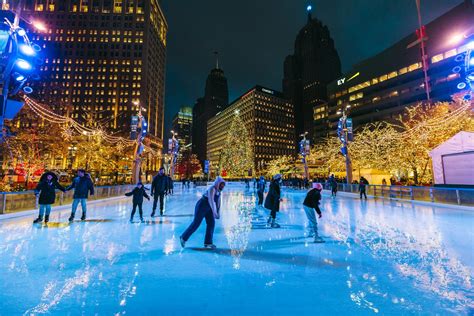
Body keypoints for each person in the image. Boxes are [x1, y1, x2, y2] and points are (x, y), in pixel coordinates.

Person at [180, 177, 226, 249]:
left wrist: (218, 212)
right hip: (202, 205)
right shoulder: (212, 189)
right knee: (196, 223)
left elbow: (218, 203)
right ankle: (183, 237)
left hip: (209, 208)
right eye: (221, 185)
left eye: (223, 185)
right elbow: (211, 201)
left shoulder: (218, 191)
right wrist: (214, 213)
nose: (222, 187)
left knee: (211, 223)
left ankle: (208, 243)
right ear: (218, 183)